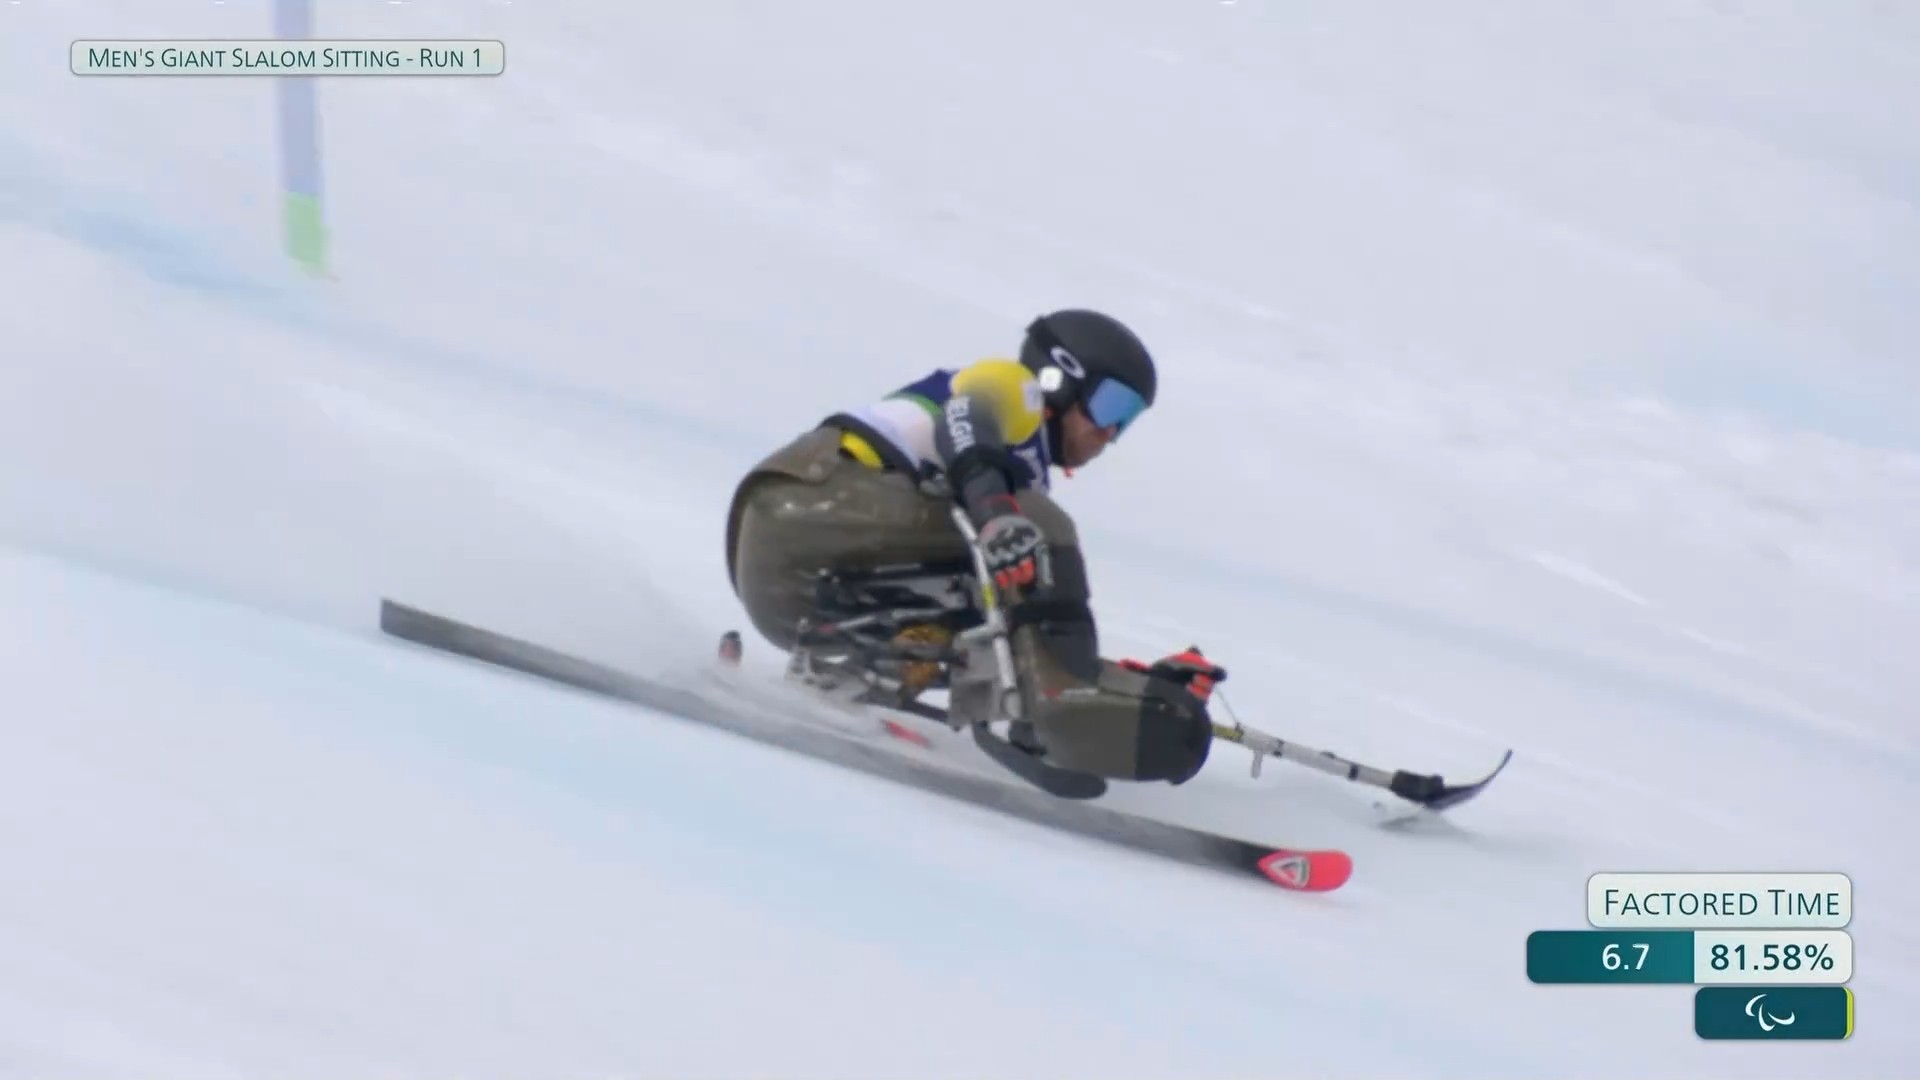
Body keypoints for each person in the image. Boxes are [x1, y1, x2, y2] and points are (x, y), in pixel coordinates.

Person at [723, 309, 1223, 785]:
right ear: (1062, 377)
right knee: (1033, 535)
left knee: (987, 622)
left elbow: (1022, 626)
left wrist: (1142, 687)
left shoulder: (1016, 476)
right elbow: (964, 418)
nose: (1108, 433)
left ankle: (836, 682)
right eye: (1110, 405)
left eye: (1127, 419)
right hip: (812, 501)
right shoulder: (1013, 388)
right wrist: (997, 513)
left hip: (784, 586)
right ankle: (1064, 708)